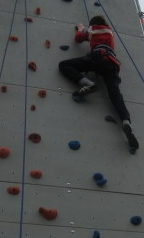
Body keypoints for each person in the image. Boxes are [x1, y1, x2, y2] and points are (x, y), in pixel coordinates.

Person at [59, 15, 139, 152]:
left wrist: (81, 28)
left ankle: (87, 83)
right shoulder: (109, 32)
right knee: (115, 94)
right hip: (112, 64)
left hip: (97, 57)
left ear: (93, 24)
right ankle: (126, 122)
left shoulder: (92, 29)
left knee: (64, 65)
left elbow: (78, 39)